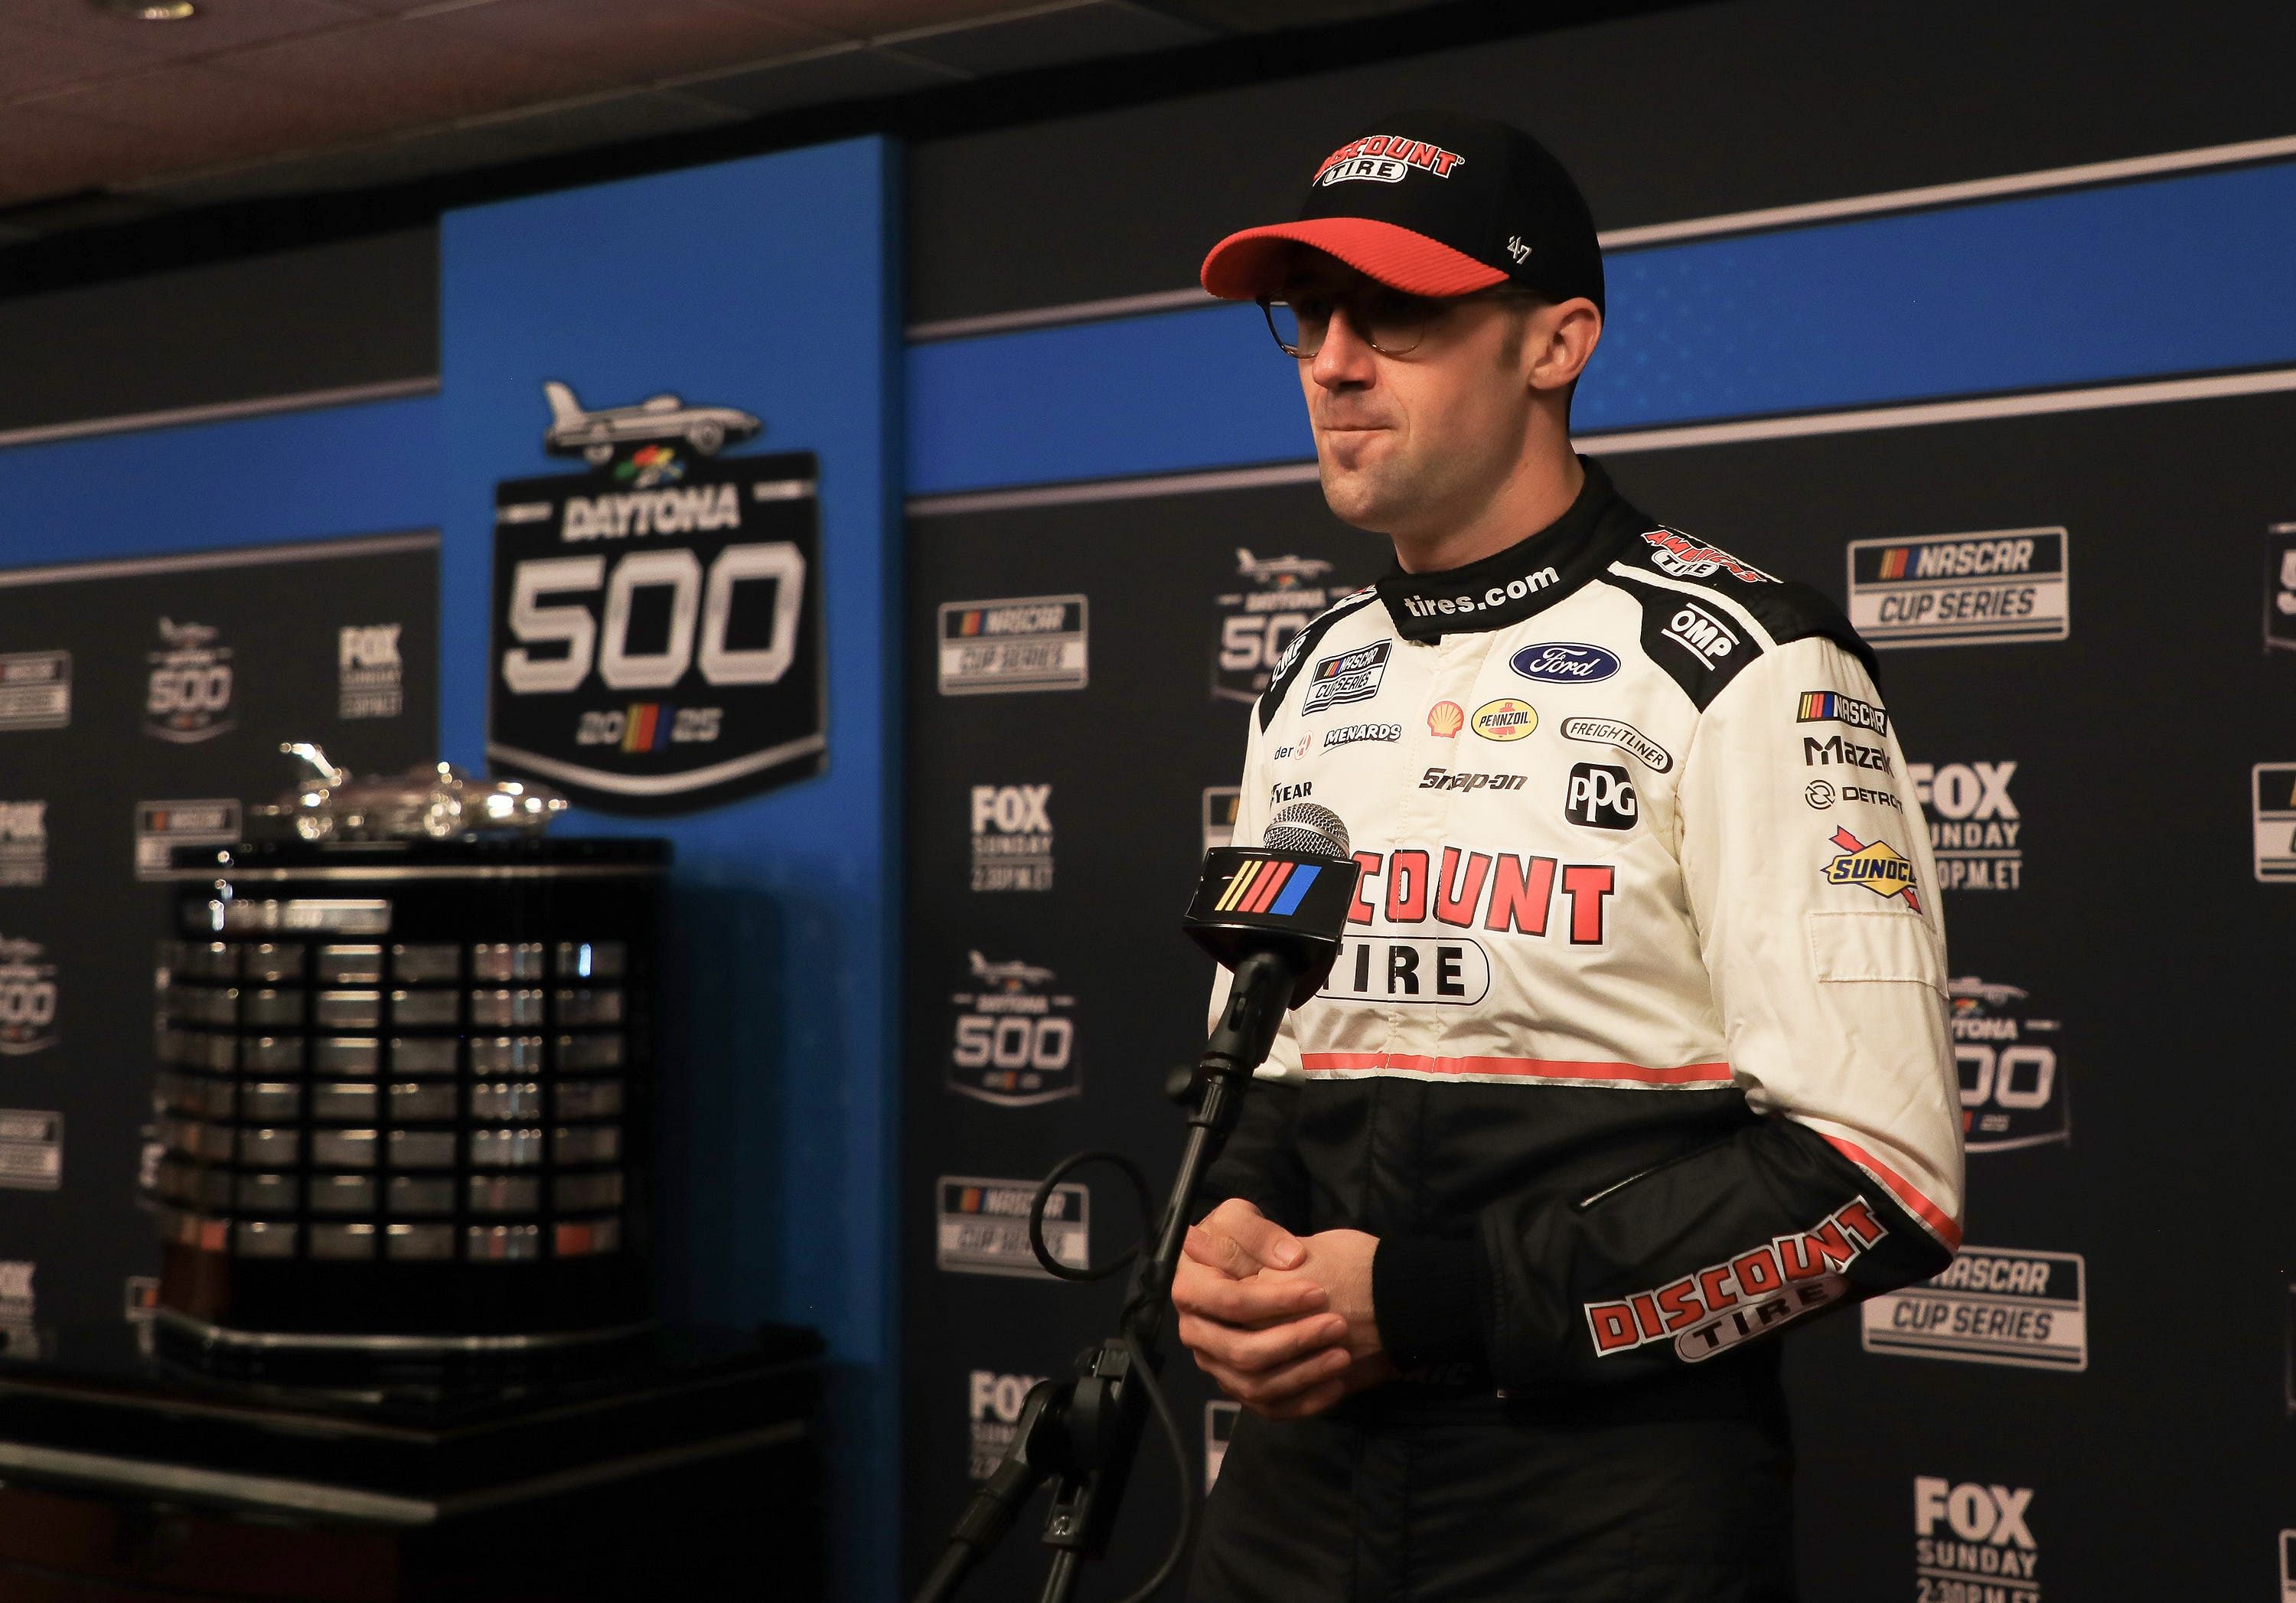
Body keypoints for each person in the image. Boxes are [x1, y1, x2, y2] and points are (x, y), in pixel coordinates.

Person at [1173, 109, 1964, 1601]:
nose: (1334, 361)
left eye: (1396, 309)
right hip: (1290, 1500)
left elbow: (1881, 1175)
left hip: (1599, 1516)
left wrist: (1419, 1301)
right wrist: (1225, 1230)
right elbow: (1260, 1072)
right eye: (1311, 314)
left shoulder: (1748, 660)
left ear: (1556, 344)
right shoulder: (1307, 677)